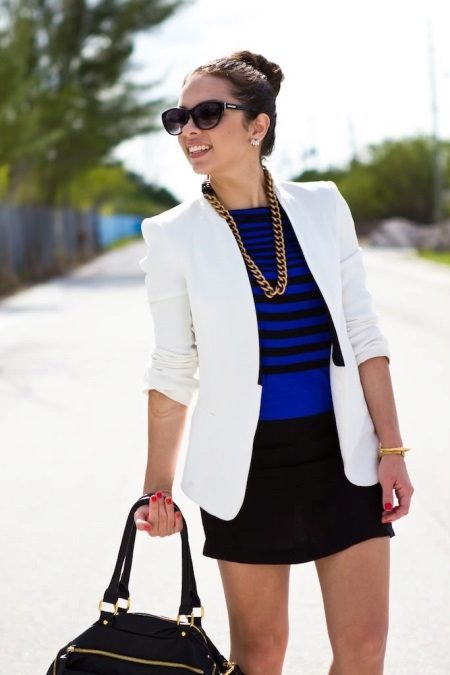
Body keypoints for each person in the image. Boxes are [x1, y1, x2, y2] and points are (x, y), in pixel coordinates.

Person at [134, 51, 414, 675]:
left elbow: (363, 335)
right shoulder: (172, 234)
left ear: (257, 126)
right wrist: (157, 487)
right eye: (178, 118)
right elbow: (172, 368)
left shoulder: (322, 206)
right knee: (260, 655)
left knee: (365, 649)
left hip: (344, 455)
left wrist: (392, 449)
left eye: (208, 114)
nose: (189, 130)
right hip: (247, 467)